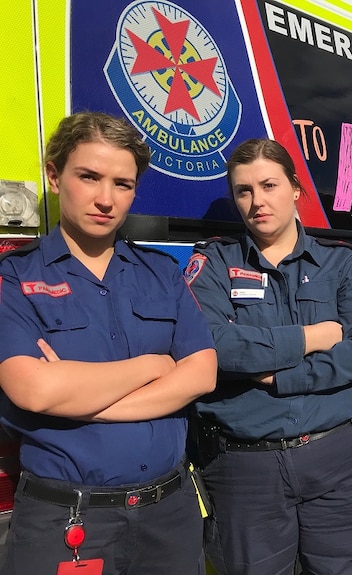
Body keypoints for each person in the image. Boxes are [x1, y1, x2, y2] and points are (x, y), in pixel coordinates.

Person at [0, 112, 217, 574]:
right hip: (67, 521)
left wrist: (78, 397)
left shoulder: (162, 274)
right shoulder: (15, 277)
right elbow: (33, 391)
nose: (106, 199)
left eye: (123, 184)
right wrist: (154, 365)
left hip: (170, 514)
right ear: (55, 177)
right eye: (89, 177)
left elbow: (202, 372)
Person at [185, 138, 352, 575]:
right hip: (244, 472)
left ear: (295, 189)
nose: (257, 201)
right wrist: (312, 337)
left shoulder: (340, 264)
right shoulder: (213, 264)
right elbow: (214, 346)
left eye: (269, 185)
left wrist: (277, 377)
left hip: (338, 464)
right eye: (243, 190)